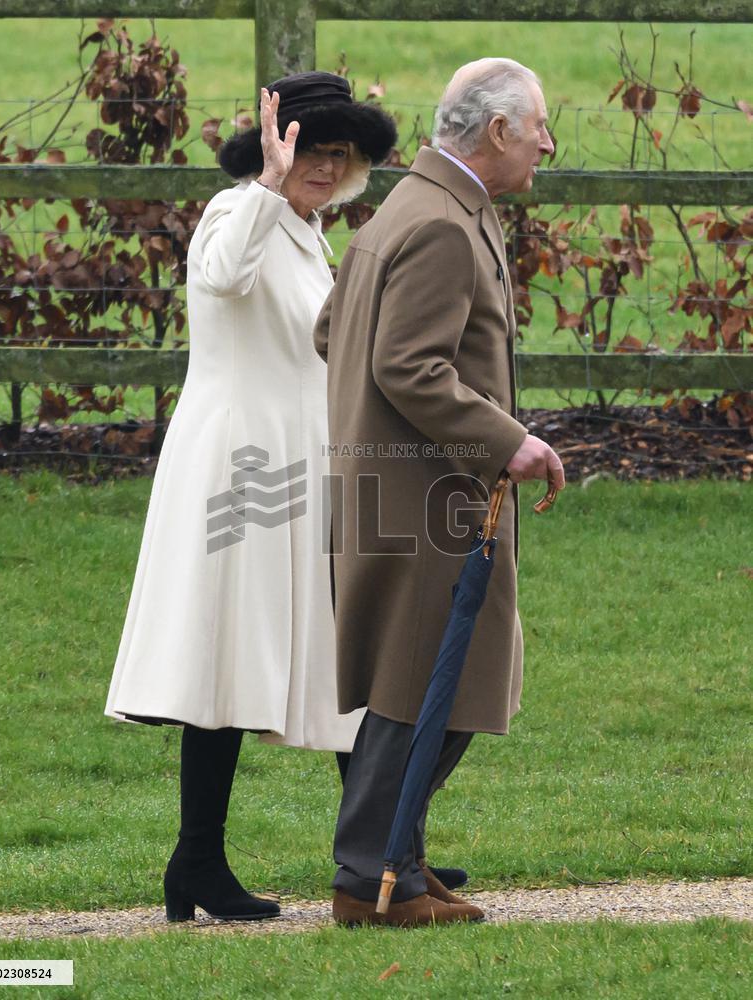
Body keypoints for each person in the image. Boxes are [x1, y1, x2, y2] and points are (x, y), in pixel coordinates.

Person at [105, 71, 396, 923]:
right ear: (277, 147)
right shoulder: (240, 211)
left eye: (340, 154)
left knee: (335, 646)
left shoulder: (309, 232)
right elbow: (224, 278)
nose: (324, 166)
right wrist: (268, 184)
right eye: (311, 148)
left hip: (300, 464)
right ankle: (199, 862)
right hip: (237, 463)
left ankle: (375, 853)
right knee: (229, 655)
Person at [314, 57, 566, 927]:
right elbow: (405, 363)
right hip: (429, 500)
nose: (548, 144)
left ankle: (399, 867)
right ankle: (369, 881)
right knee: (430, 684)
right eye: (539, 127)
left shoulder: (414, 209)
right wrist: (511, 440)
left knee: (424, 680)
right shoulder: (444, 227)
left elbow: (330, 330)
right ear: (498, 131)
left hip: (401, 489)